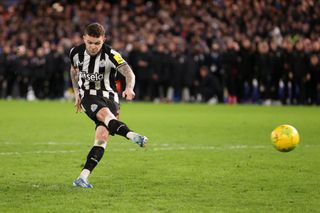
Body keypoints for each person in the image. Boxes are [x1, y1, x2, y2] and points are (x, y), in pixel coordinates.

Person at [69, 23, 148, 188]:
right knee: (107, 116)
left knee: (102, 138)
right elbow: (73, 71)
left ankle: (82, 177)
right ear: (84, 38)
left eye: (97, 43)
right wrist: (77, 93)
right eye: (90, 42)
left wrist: (129, 87)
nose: (93, 46)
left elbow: (129, 72)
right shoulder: (75, 53)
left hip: (110, 97)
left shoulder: (111, 54)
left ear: (103, 40)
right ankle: (132, 135)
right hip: (89, 96)